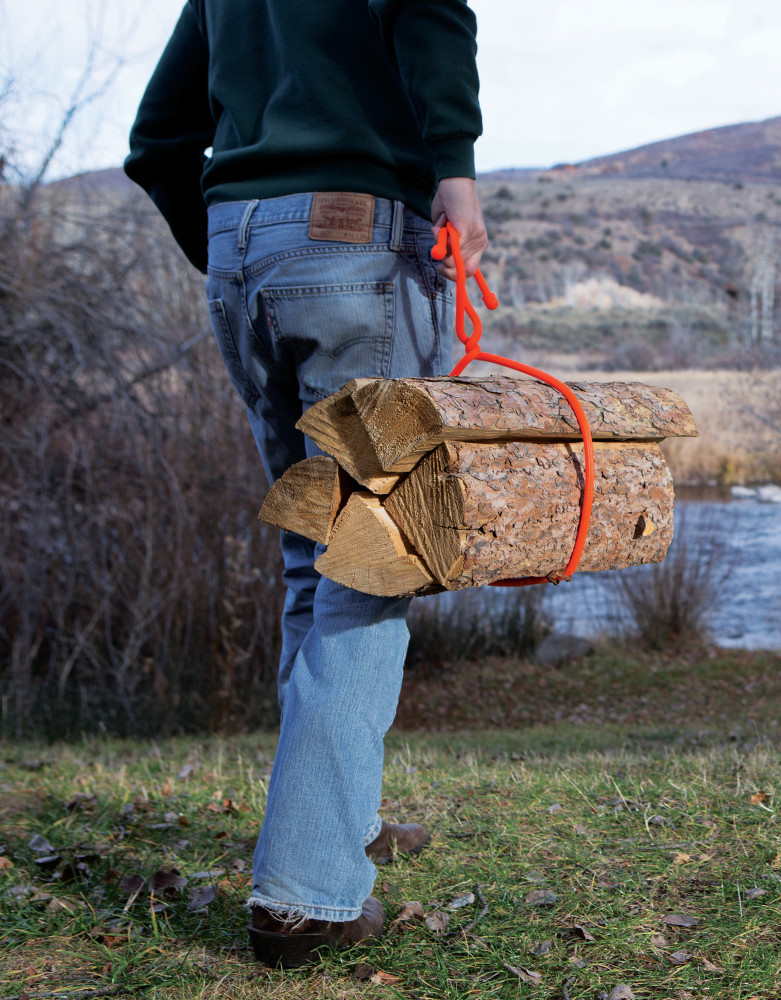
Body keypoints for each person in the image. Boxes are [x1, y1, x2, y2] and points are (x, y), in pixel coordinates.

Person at [124, 0, 487, 969]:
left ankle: (340, 817)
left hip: (243, 260)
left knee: (316, 553)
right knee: (374, 564)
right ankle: (304, 893)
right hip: (355, 245)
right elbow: (432, 16)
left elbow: (156, 140)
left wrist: (247, 241)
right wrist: (454, 170)